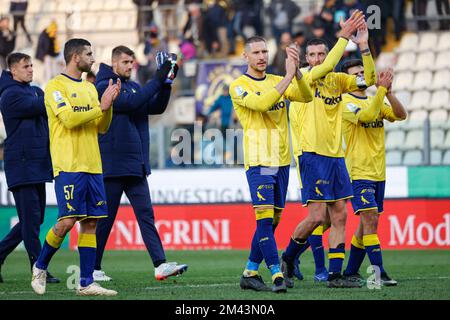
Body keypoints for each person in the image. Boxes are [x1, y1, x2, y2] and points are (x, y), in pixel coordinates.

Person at [279, 10, 376, 289]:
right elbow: (327, 66)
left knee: (339, 214)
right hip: (311, 155)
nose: (318, 60)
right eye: (313, 55)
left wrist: (364, 46)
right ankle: (288, 256)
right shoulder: (304, 77)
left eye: (322, 55)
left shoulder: (338, 80)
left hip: (336, 156)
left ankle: (335, 275)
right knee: (317, 217)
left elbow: (368, 79)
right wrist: (343, 37)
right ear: (307, 59)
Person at [30, 38, 121, 296]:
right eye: (89, 54)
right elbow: (69, 119)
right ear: (74, 57)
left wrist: (108, 106)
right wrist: (99, 107)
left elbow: (101, 127)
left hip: (92, 165)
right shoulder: (55, 86)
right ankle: (40, 265)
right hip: (68, 164)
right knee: (67, 221)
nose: (93, 59)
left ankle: (86, 282)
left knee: (91, 223)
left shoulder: (90, 89)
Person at [93, 45, 188, 282]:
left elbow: (155, 106)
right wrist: (158, 75)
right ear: (114, 63)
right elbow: (133, 103)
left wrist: (166, 82)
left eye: (132, 62)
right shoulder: (104, 86)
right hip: (112, 166)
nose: (130, 66)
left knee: (146, 216)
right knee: (105, 220)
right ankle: (92, 268)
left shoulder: (134, 87)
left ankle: (160, 265)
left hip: (135, 165)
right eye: (125, 62)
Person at [229, 36, 313, 293]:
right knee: (265, 220)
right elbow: (262, 103)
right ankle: (276, 274)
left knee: (273, 220)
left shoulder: (278, 80)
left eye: (265, 51)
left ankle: (250, 272)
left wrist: (296, 73)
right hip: (259, 161)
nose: (262, 56)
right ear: (246, 57)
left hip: (281, 161)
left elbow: (307, 97)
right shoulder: (238, 86)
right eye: (256, 52)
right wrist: (288, 77)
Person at [340, 60, 407, 286]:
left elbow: (400, 115)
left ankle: (350, 271)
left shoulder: (374, 98)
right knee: (370, 220)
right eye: (355, 73)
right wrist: (379, 91)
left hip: (379, 172)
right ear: (347, 79)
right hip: (359, 172)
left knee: (366, 224)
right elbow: (367, 116)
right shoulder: (344, 103)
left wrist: (389, 92)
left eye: (362, 71)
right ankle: (379, 273)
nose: (361, 75)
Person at [0, 52, 58, 284]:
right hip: (22, 165)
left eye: (32, 65)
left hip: (37, 163)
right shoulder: (10, 94)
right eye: (26, 66)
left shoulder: (34, 90)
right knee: (32, 220)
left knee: (34, 219)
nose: (31, 69)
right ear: (13, 71)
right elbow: (43, 105)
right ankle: (38, 268)